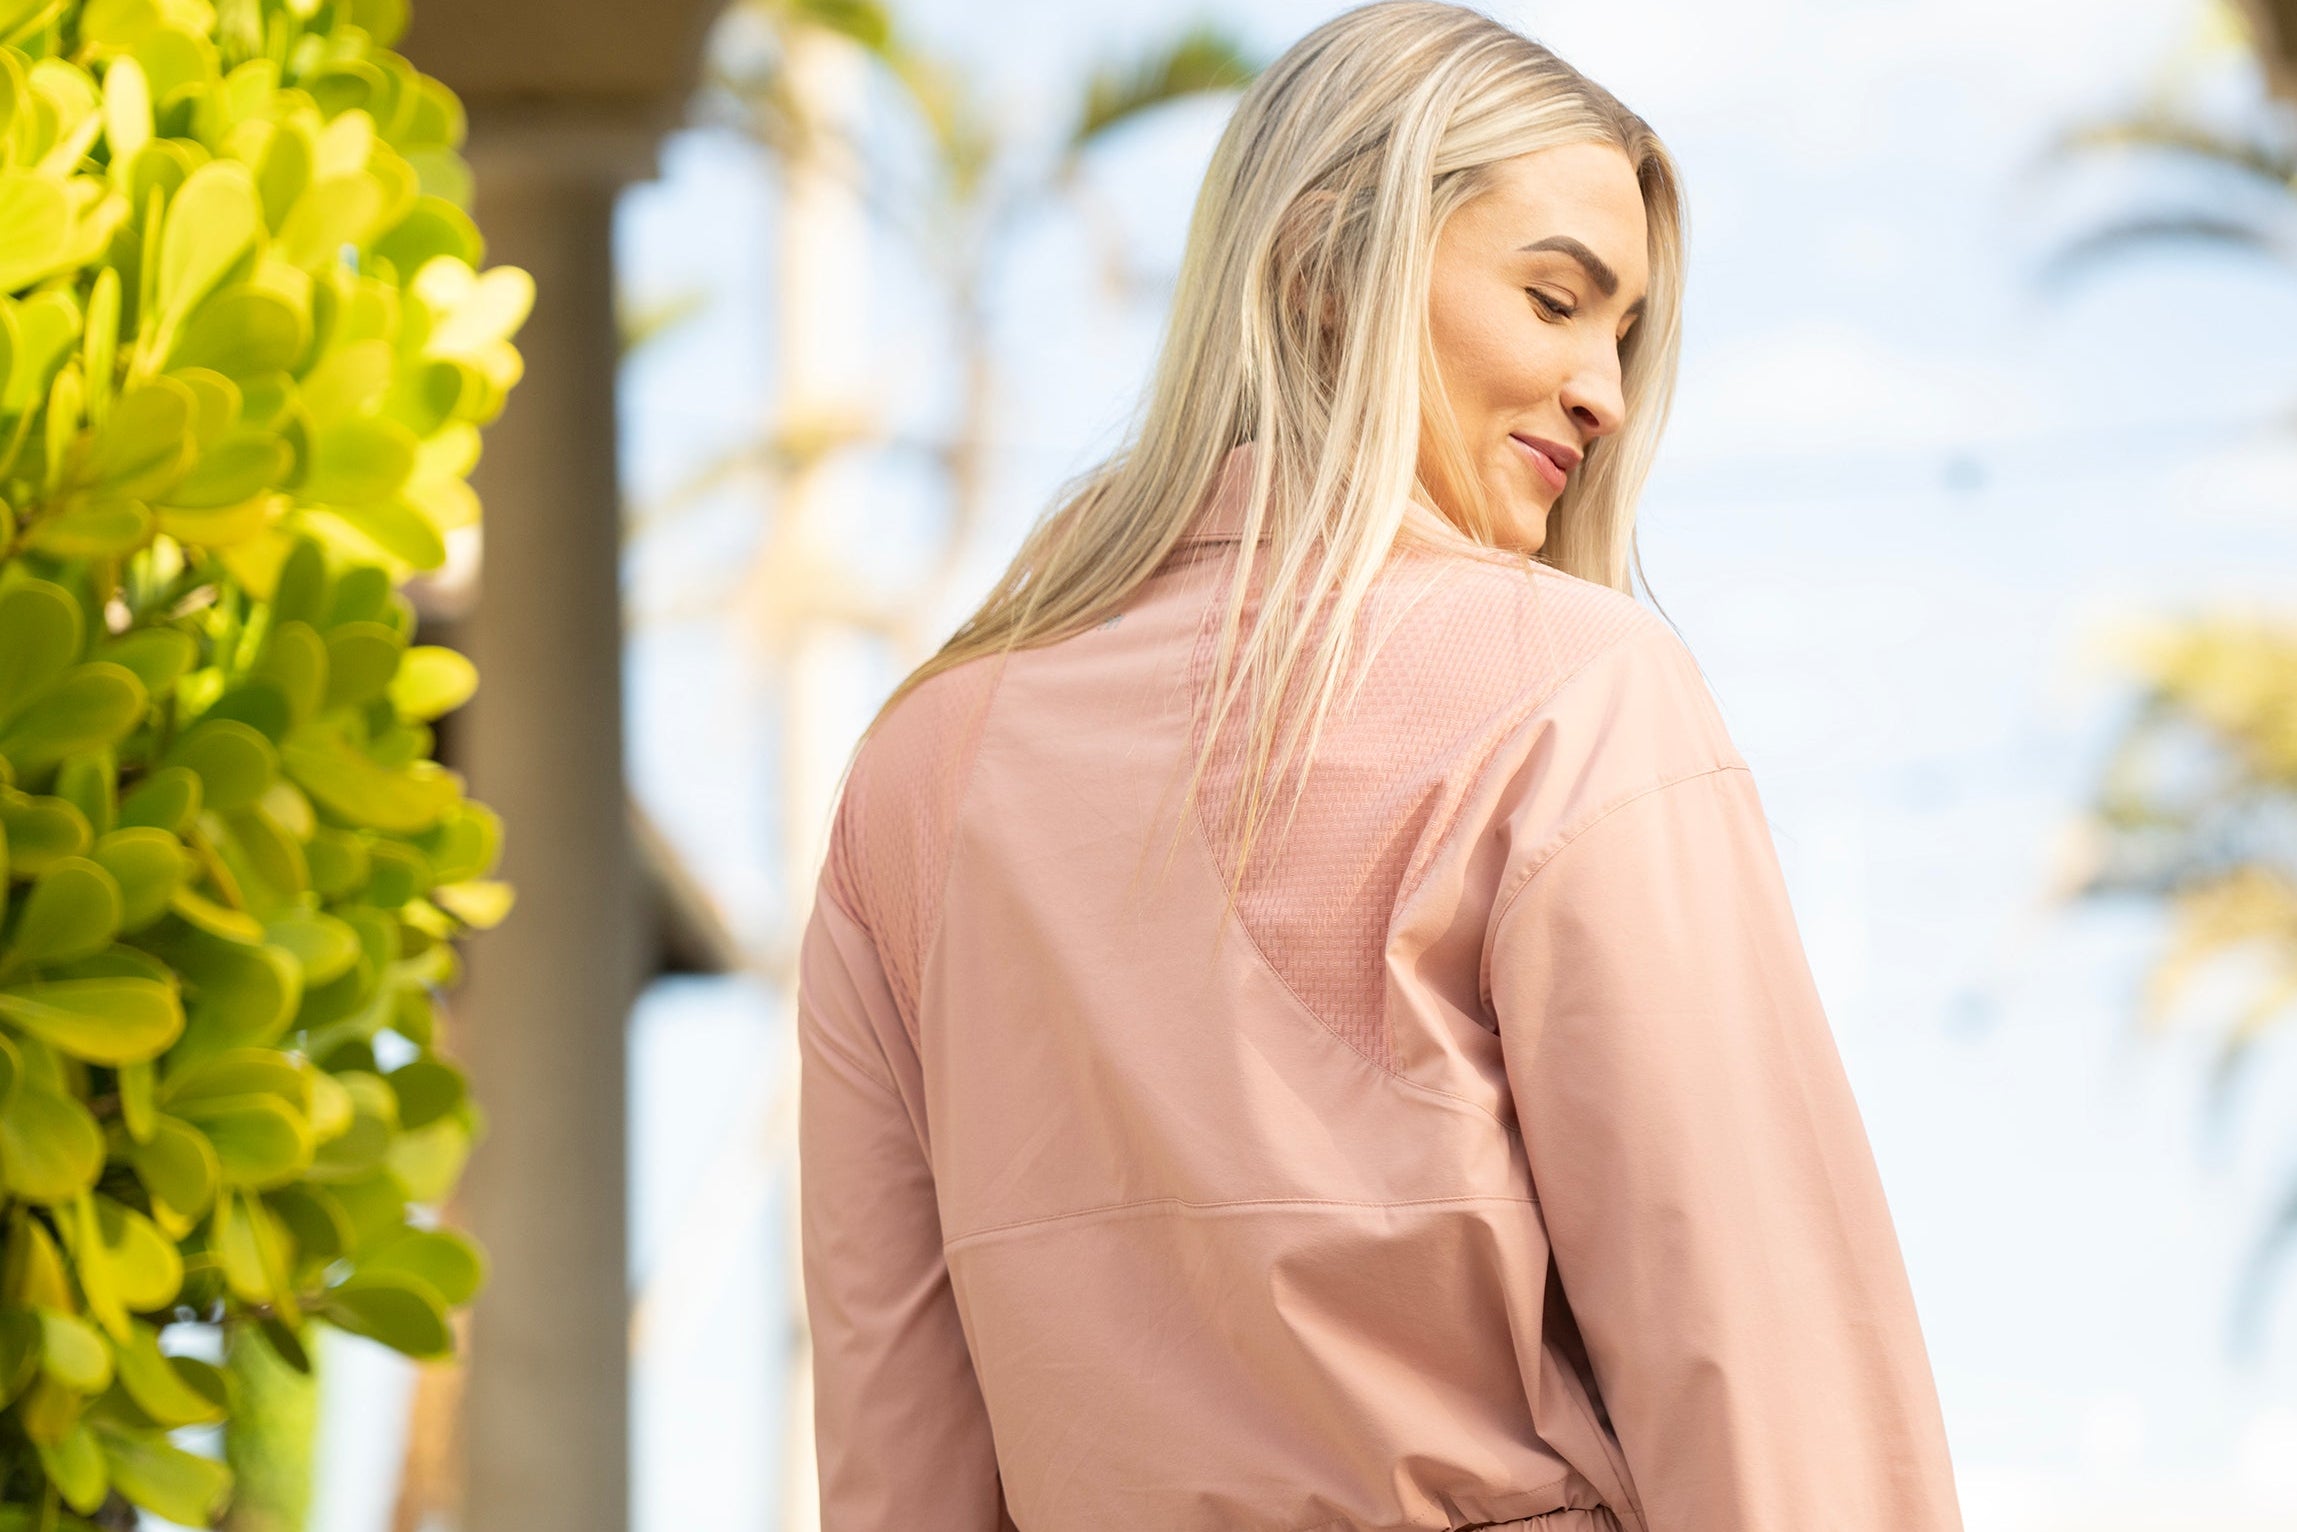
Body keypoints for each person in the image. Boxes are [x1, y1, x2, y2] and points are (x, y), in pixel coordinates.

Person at [794, 3, 1965, 1528]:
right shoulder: (1573, 694)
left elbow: (897, 1462)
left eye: (1619, 334)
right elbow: (1762, 1367)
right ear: (1322, 270)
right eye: (1554, 299)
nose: (1605, 392)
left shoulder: (918, 775)